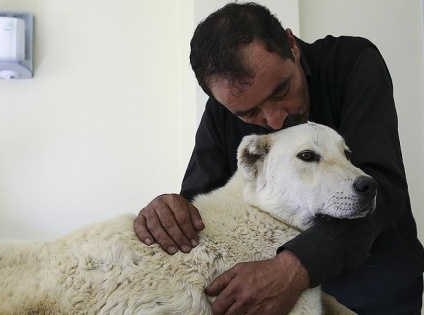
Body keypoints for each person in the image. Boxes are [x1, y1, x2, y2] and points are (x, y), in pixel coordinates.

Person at [133, 2, 424, 314]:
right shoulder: (220, 111)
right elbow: (197, 205)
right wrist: (170, 212)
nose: (274, 119)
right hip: (276, 296)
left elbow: (382, 186)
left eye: (282, 89)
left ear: (292, 45)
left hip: (374, 286)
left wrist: (294, 268)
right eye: (248, 113)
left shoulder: (351, 62)